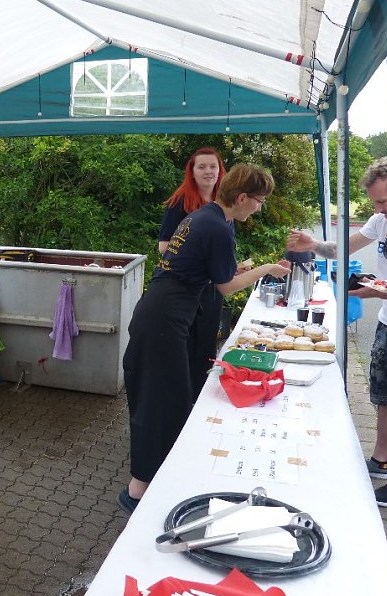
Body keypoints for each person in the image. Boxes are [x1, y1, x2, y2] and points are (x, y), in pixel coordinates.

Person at [119, 164, 290, 513]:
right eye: (259, 201)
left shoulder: (206, 217)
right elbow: (225, 287)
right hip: (163, 319)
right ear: (242, 198)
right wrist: (266, 269)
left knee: (171, 399)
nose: (259, 207)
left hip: (161, 313)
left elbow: (204, 268)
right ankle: (138, 492)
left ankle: (155, 480)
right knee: (162, 403)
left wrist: (233, 268)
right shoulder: (216, 226)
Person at [287, 157, 387, 507]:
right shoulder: (382, 221)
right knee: (386, 393)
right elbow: (341, 248)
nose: (378, 209)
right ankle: (380, 461)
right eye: (375, 203)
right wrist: (311, 243)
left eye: (383, 202)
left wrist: (375, 290)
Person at [157, 148, 228, 398]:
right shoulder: (181, 201)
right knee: (185, 346)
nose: (208, 171)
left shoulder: (223, 202)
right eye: (202, 167)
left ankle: (200, 398)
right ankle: (181, 399)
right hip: (185, 290)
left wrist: (230, 266)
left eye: (213, 167)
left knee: (207, 345)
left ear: (220, 171)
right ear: (192, 171)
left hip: (212, 290)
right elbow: (164, 247)